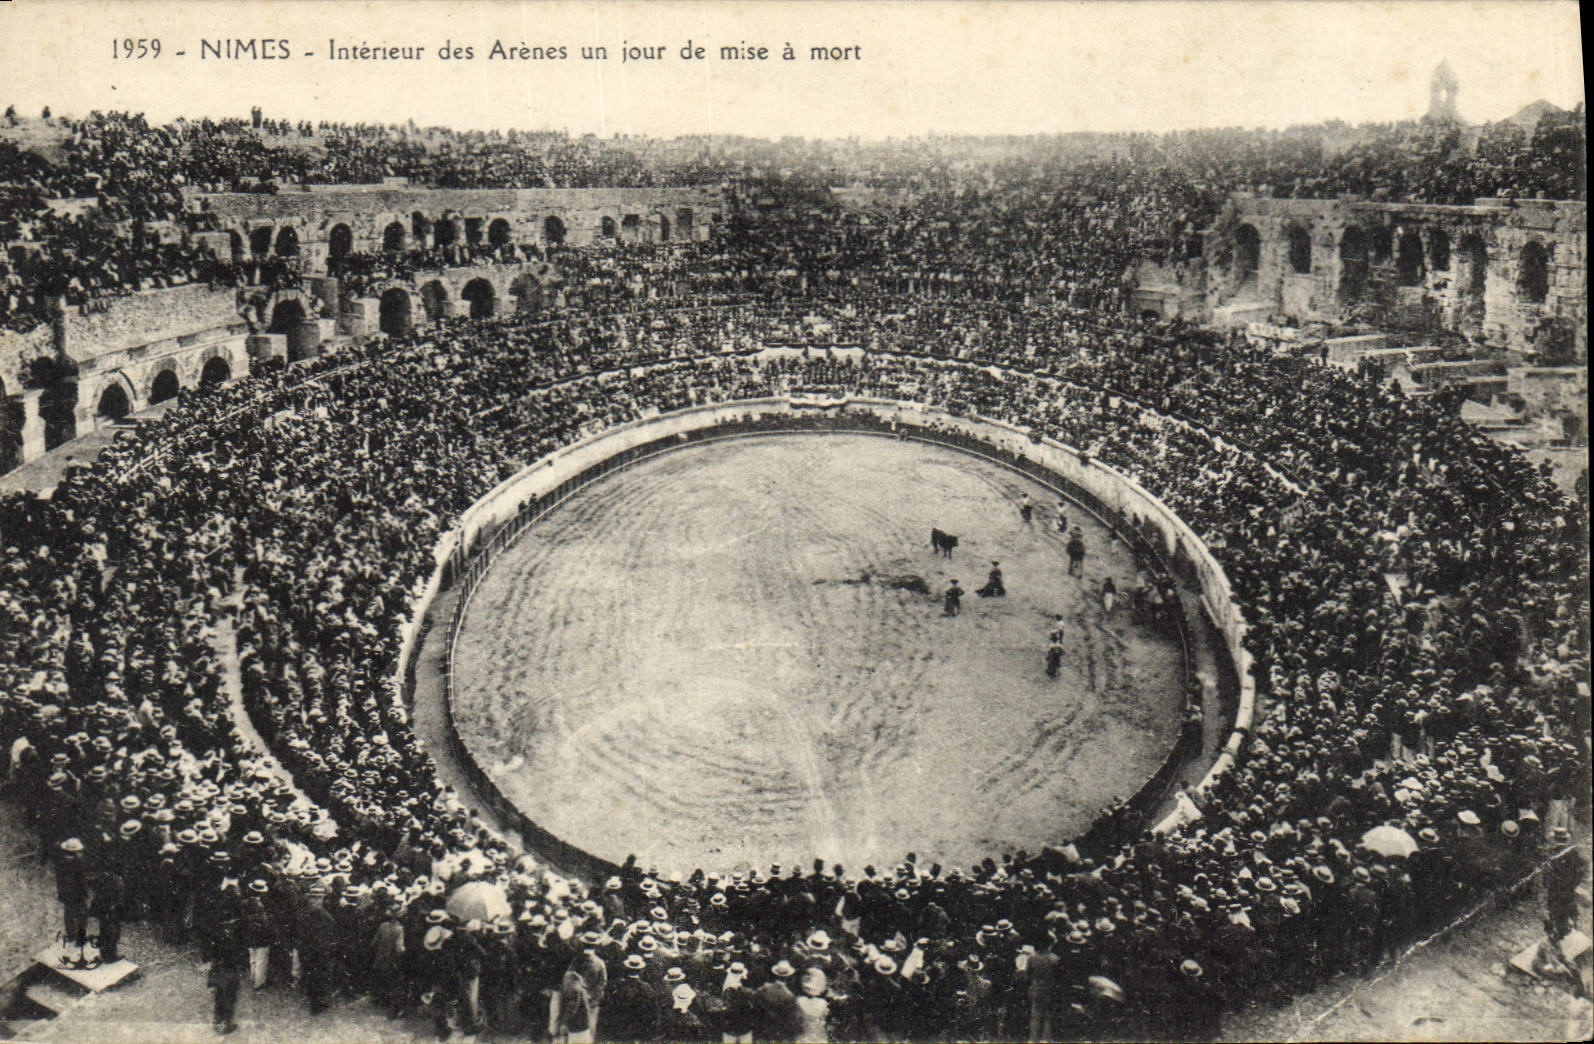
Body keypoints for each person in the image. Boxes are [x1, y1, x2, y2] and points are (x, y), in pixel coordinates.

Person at [56, 837, 90, 967]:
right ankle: (81, 939)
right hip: (77, 892)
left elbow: (59, 879)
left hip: (66, 892)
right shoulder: (78, 862)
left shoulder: (61, 861)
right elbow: (82, 879)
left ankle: (71, 934)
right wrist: (85, 892)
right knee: (82, 913)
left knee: (69, 912)